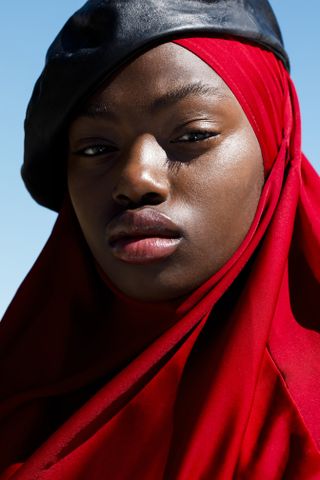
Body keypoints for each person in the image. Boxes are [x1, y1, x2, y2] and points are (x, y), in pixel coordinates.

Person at [1, 0, 319, 478]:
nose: (136, 178)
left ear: (274, 147)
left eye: (192, 135)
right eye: (95, 148)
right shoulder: (21, 393)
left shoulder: (301, 432)